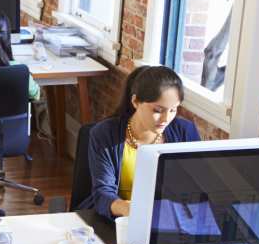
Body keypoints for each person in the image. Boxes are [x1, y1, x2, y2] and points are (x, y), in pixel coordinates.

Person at [79, 66, 200, 219]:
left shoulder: (185, 131)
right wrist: (128, 209)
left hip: (169, 220)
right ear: (135, 101)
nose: (166, 119)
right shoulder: (105, 134)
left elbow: (197, 187)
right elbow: (102, 194)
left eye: (173, 110)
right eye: (158, 110)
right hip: (117, 222)